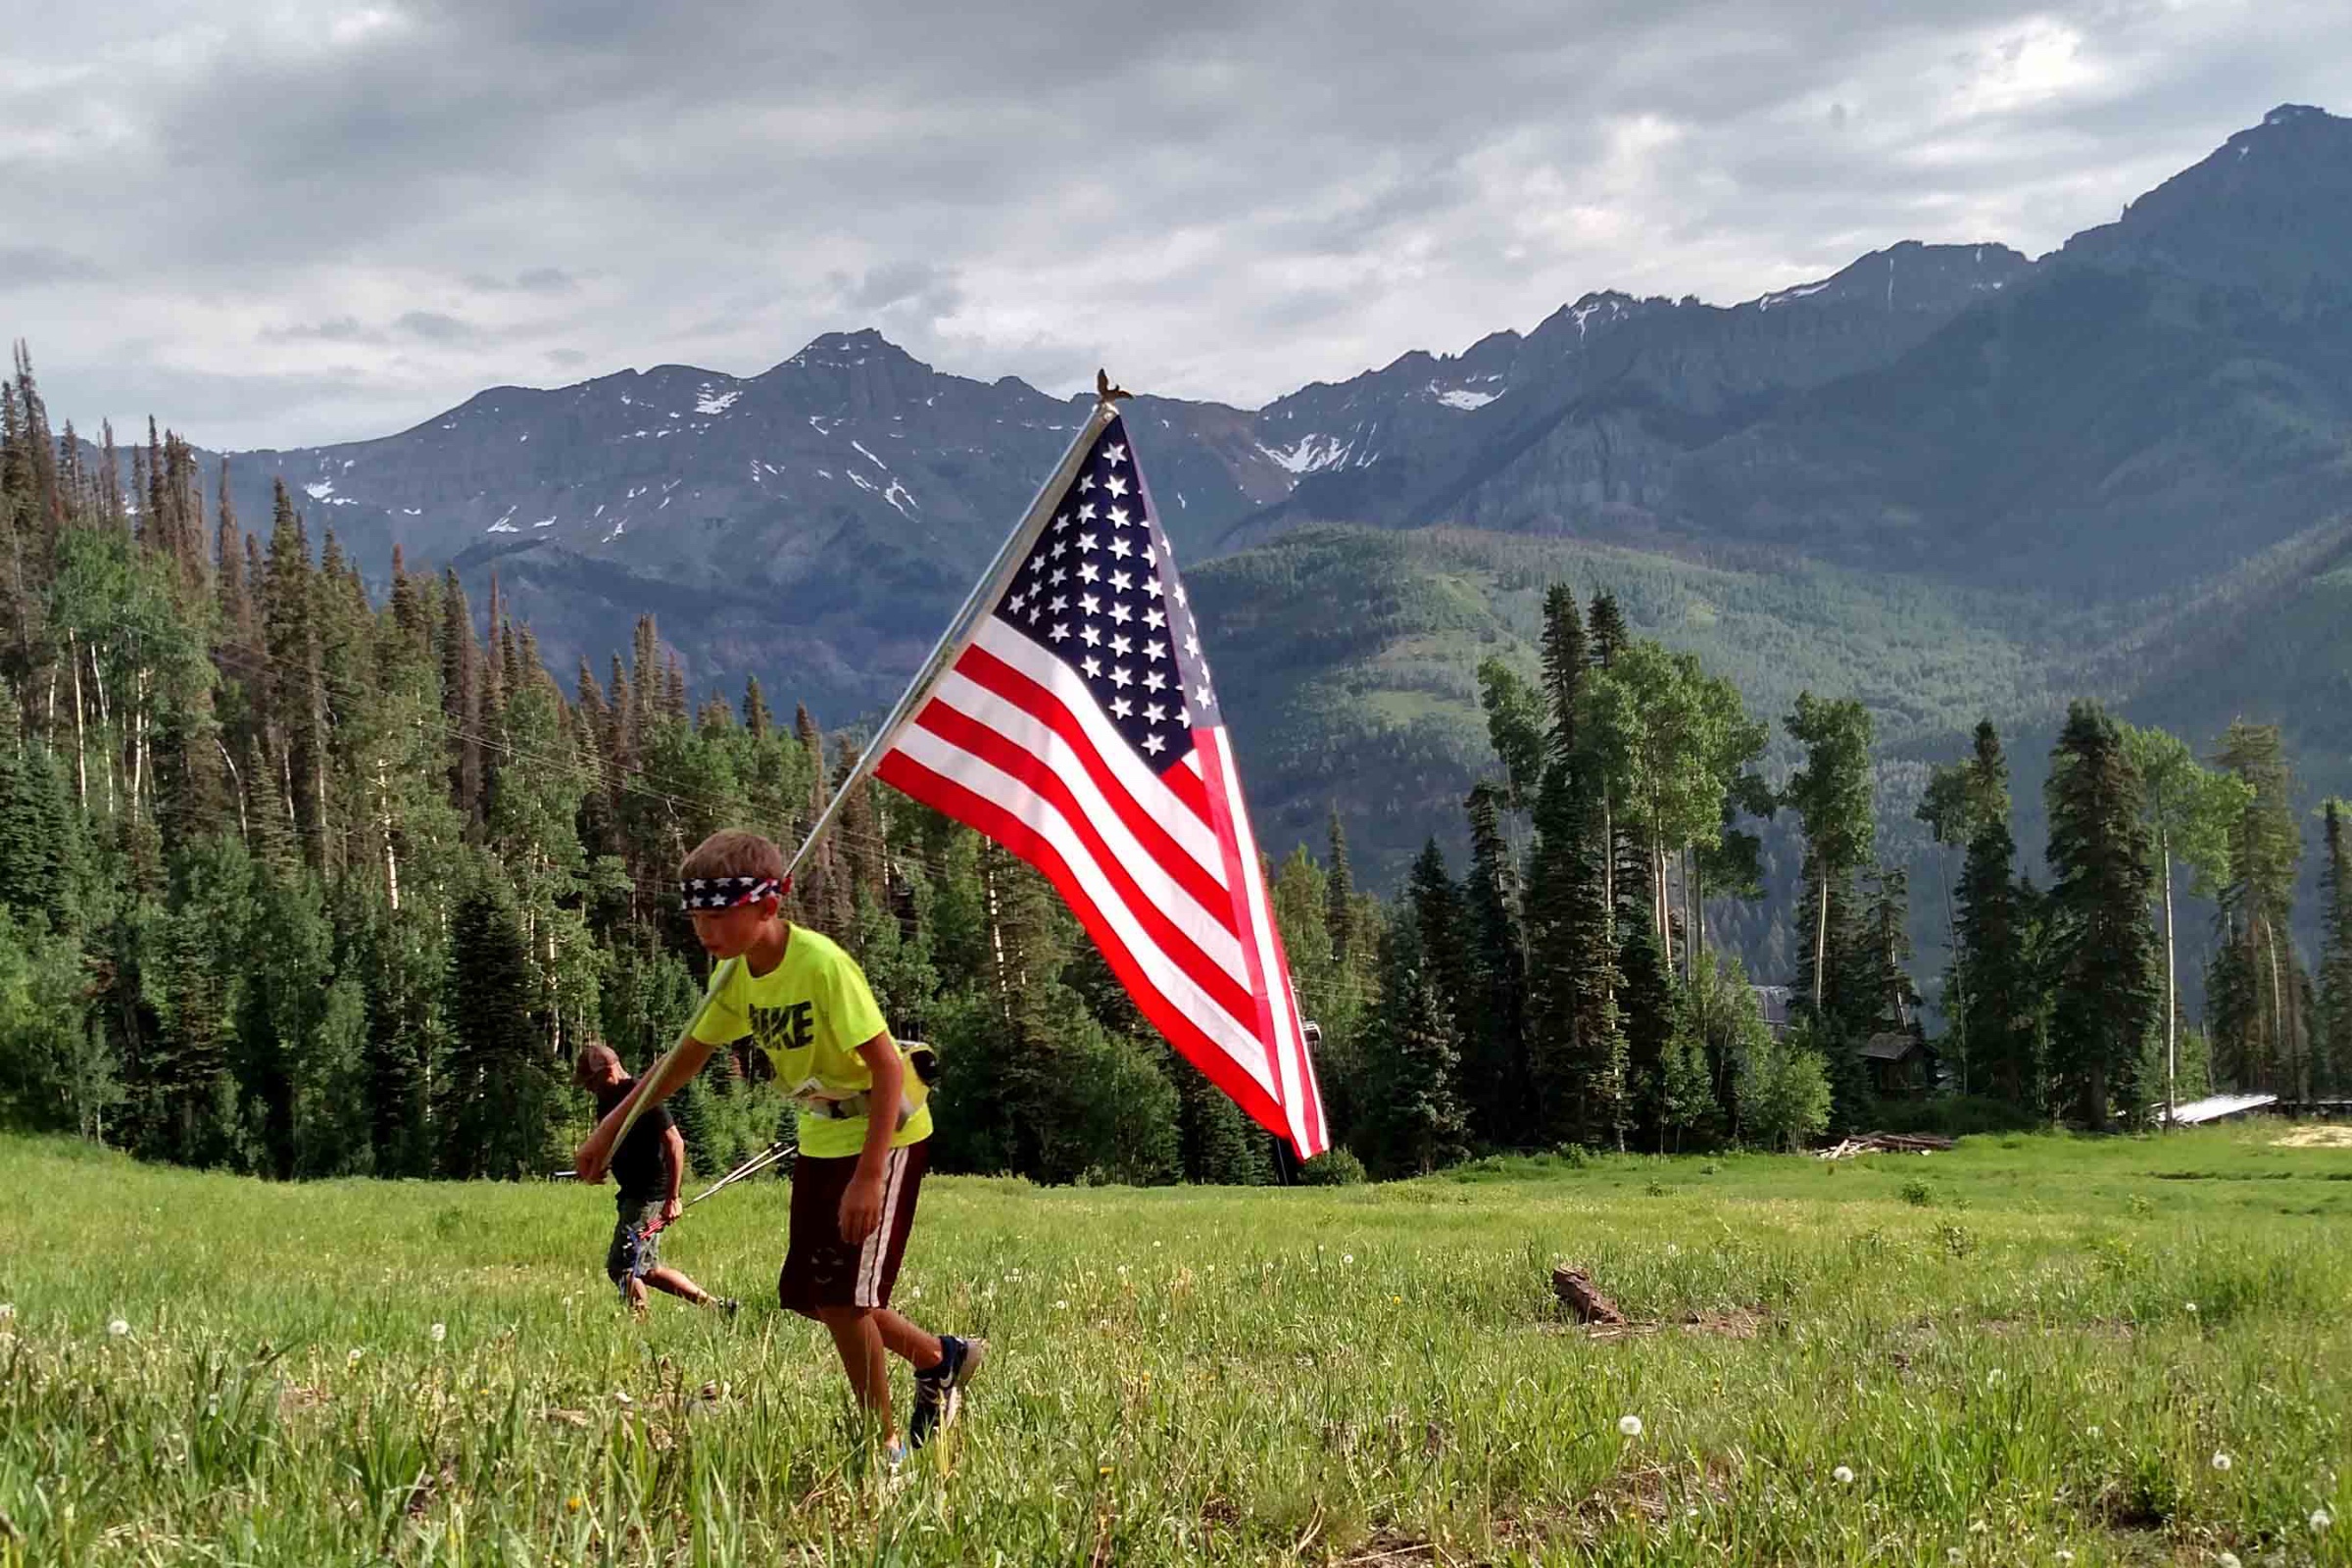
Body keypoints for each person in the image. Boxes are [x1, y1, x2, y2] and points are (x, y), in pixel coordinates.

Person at [572, 829, 984, 1465]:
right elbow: (686, 1057)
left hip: (885, 1133)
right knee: (813, 1297)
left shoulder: (819, 966)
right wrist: (611, 1128)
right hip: (820, 1133)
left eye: (717, 916)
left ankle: (885, 1448)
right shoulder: (733, 973)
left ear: (766, 907)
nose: (704, 932)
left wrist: (871, 1176)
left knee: (847, 1300)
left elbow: (885, 1068)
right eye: (695, 917)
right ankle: (940, 1359)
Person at [573, 1041, 738, 1319]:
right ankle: (719, 1308)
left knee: (623, 1267)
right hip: (631, 1194)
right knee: (648, 1270)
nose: (588, 1089)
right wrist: (598, 1165)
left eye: (590, 1082)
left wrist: (673, 1198)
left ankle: (641, 1326)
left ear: (606, 1073)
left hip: (648, 1196)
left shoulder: (643, 1095)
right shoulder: (606, 1101)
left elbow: (675, 1143)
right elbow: (612, 1140)